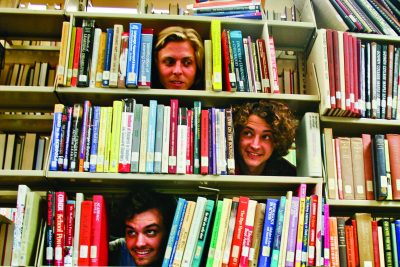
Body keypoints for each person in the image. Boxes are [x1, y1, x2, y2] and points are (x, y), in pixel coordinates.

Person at [109, 188, 177, 266]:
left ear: (167, 233)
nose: (139, 243)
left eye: (150, 232)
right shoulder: (118, 250)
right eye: (131, 232)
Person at [232, 99, 297, 176]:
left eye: (266, 137)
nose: (255, 146)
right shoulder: (221, 166)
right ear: (238, 135)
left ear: (277, 142)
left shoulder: (288, 174)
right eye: (248, 133)